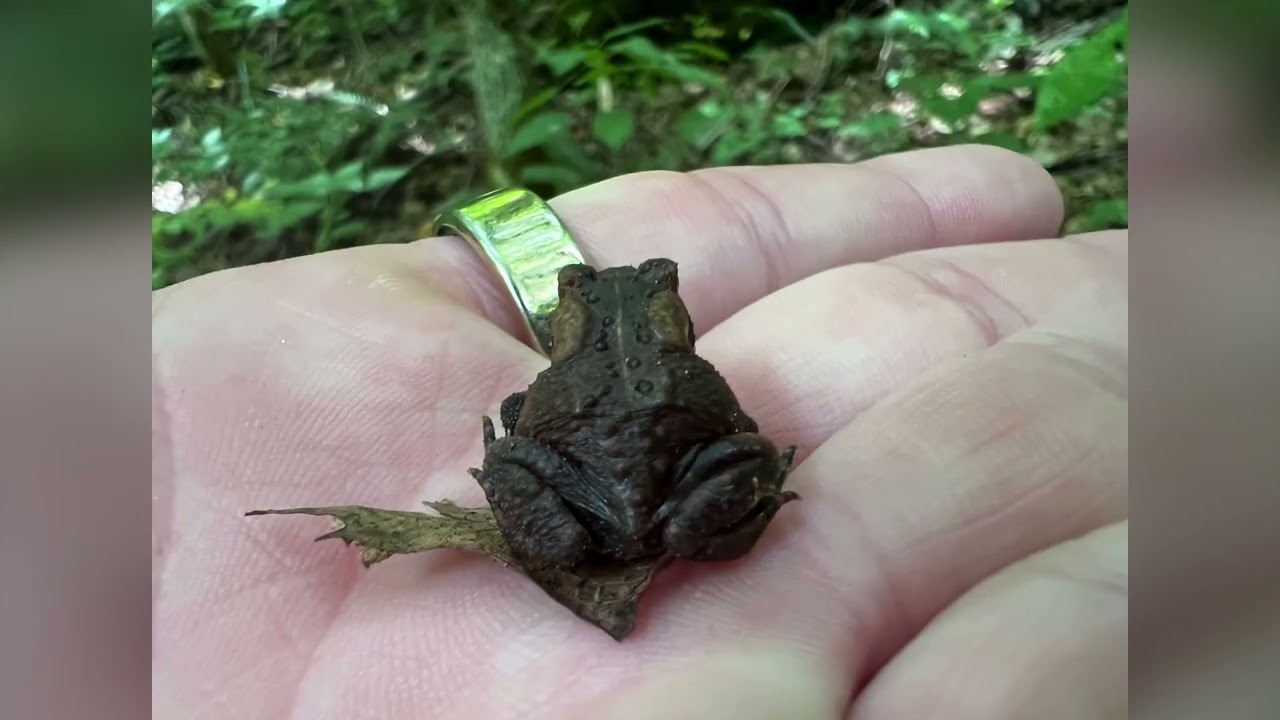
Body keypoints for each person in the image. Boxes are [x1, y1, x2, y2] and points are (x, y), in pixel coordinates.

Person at [152, 144, 1127, 719]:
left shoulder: (558, 376)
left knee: (511, 450)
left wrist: (511, 455)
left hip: (575, 516)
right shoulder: (682, 371)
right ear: (674, 319)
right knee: (738, 458)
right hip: (682, 517)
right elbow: (738, 434)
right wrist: (747, 468)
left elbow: (533, 437)